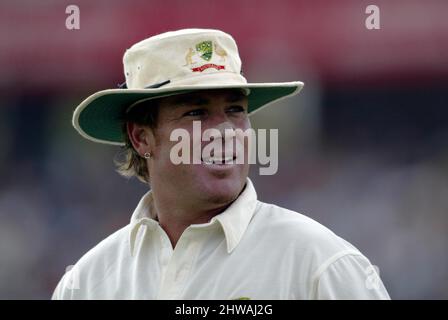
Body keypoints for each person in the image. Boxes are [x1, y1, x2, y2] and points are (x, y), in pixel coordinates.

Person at [53, 28, 390, 299]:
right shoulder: (86, 284)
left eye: (235, 110)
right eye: (196, 113)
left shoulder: (320, 266)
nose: (225, 131)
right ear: (142, 138)